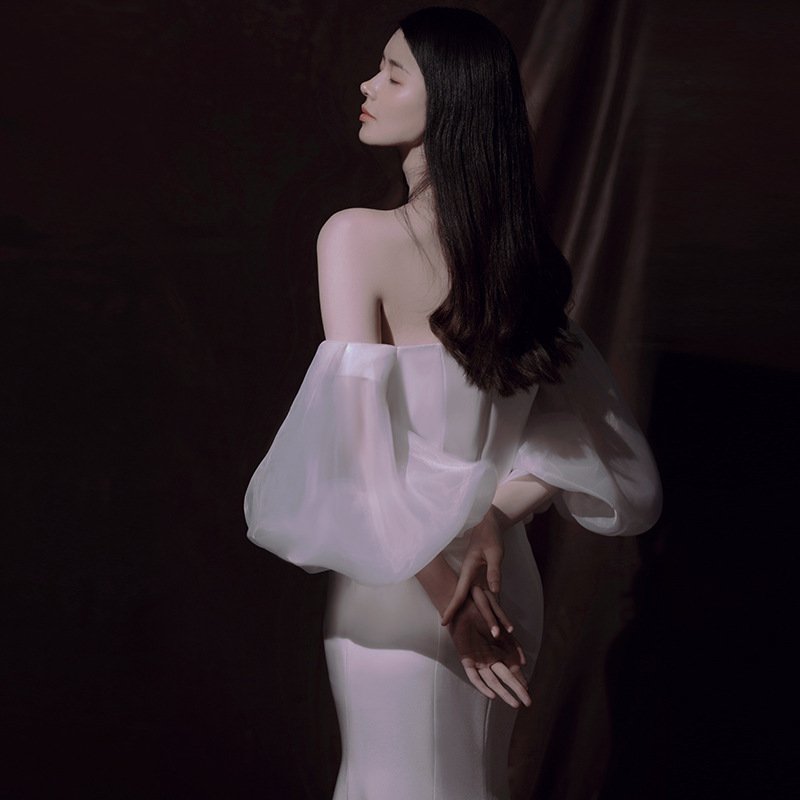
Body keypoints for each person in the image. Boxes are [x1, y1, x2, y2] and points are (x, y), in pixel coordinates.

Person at [244, 7, 661, 799]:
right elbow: (564, 445)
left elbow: (362, 457)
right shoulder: (524, 264)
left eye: (393, 74)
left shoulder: (355, 238)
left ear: (452, 103)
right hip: (498, 584)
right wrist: (490, 521)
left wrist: (449, 598)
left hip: (409, 587)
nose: (368, 85)